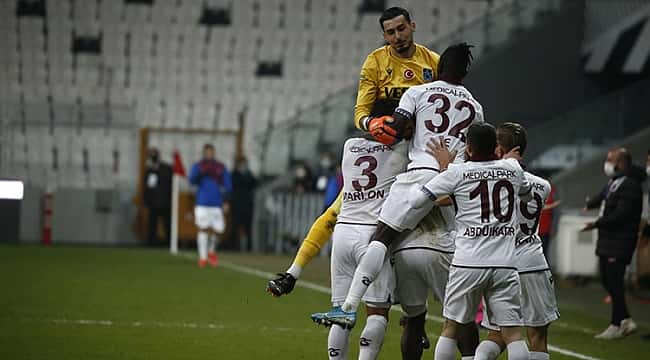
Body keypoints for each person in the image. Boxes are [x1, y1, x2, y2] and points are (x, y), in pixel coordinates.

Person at [318, 43, 483, 359]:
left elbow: (394, 128)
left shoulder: (417, 94)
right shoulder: (476, 107)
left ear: (436, 69)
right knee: (458, 312)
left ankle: (350, 305)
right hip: (452, 180)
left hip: (417, 174)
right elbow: (474, 152)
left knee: (383, 237)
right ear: (464, 73)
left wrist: (375, 124)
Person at [426, 123, 533, 360]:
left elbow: (429, 196)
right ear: (496, 148)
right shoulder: (512, 169)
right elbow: (525, 191)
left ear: (469, 149)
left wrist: (445, 167)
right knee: (513, 333)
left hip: (468, 262)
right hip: (505, 264)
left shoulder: (459, 171)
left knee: (451, 328)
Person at [462, 122, 559, 360]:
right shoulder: (543, 185)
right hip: (532, 261)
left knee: (496, 335)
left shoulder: (489, 180)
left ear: (498, 148)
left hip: (502, 263)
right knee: (537, 337)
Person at [581, 147, 645, 339]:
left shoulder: (631, 185)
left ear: (621, 163)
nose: (607, 163)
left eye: (611, 159)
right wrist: (589, 204)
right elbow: (603, 197)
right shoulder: (615, 181)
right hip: (608, 239)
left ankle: (617, 323)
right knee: (607, 279)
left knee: (614, 281)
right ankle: (624, 320)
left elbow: (622, 214)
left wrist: (597, 223)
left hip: (620, 240)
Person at [354, 6, 439, 133]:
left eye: (401, 29)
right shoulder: (375, 61)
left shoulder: (433, 60)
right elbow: (361, 111)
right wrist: (371, 123)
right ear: (385, 37)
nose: (397, 36)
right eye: (391, 32)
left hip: (423, 133)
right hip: (386, 134)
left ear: (412, 26)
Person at [189, 144, 232, 268]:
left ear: (214, 153)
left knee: (219, 230)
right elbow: (191, 180)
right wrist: (200, 173)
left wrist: (226, 201)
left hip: (217, 203)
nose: (209, 154)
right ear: (204, 153)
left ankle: (211, 250)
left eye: (211, 152)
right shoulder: (199, 166)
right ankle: (202, 257)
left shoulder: (220, 167)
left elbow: (228, 185)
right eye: (207, 152)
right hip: (202, 202)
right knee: (202, 228)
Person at [143, 148, 173, 246]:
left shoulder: (166, 169)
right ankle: (152, 243)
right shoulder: (149, 170)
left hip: (165, 202)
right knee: (152, 224)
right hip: (153, 203)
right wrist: (146, 201)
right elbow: (147, 188)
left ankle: (169, 243)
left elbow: (169, 186)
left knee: (167, 224)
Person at [230, 157, 256, 251]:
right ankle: (233, 246)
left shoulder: (249, 174)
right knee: (235, 226)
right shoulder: (234, 174)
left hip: (247, 205)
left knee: (248, 227)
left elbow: (254, 183)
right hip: (237, 204)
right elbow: (235, 184)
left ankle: (249, 247)